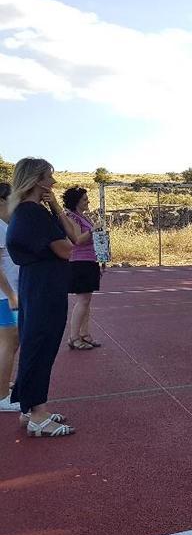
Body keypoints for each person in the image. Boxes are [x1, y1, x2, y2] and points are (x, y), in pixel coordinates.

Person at [7, 158, 79, 437]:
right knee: (41, 345)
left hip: (37, 285)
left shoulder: (29, 211)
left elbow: (70, 240)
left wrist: (56, 207)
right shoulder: (31, 213)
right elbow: (66, 249)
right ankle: (37, 414)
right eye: (50, 176)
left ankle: (31, 408)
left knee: (35, 343)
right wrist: (54, 211)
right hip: (44, 288)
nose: (54, 182)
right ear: (37, 180)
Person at [62, 187, 102, 350]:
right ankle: (73, 337)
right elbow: (77, 240)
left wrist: (102, 257)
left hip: (90, 260)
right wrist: (93, 230)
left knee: (86, 301)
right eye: (85, 199)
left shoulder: (83, 217)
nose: (88, 201)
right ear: (76, 201)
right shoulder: (72, 217)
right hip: (79, 262)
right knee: (82, 300)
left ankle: (84, 334)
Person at [0, 183, 21, 412]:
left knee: (10, 342)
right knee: (9, 342)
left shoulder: (6, 225)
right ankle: (2, 396)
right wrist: (11, 295)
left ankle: (2, 383)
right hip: (5, 297)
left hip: (8, 296)